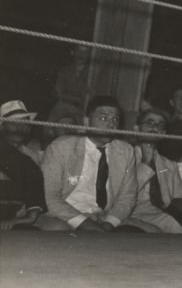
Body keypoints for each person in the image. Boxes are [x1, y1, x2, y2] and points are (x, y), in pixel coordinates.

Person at [37, 95, 139, 232]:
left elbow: (128, 197)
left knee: (151, 233)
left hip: (104, 218)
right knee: (60, 233)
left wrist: (109, 223)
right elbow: (50, 197)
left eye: (115, 119)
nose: (111, 124)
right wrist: (86, 224)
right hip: (64, 217)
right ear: (86, 121)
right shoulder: (61, 147)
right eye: (103, 118)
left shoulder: (126, 151)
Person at [124, 109, 182, 233]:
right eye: (149, 123)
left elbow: (181, 197)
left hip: (161, 214)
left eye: (160, 125)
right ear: (136, 128)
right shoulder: (124, 156)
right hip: (129, 214)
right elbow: (123, 193)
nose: (154, 127)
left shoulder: (169, 165)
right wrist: (146, 162)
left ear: (164, 133)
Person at [0, 100, 46, 230]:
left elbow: (35, 191)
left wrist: (24, 216)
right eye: (15, 123)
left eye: (25, 123)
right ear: (2, 126)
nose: (21, 127)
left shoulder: (33, 157)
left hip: (16, 218)